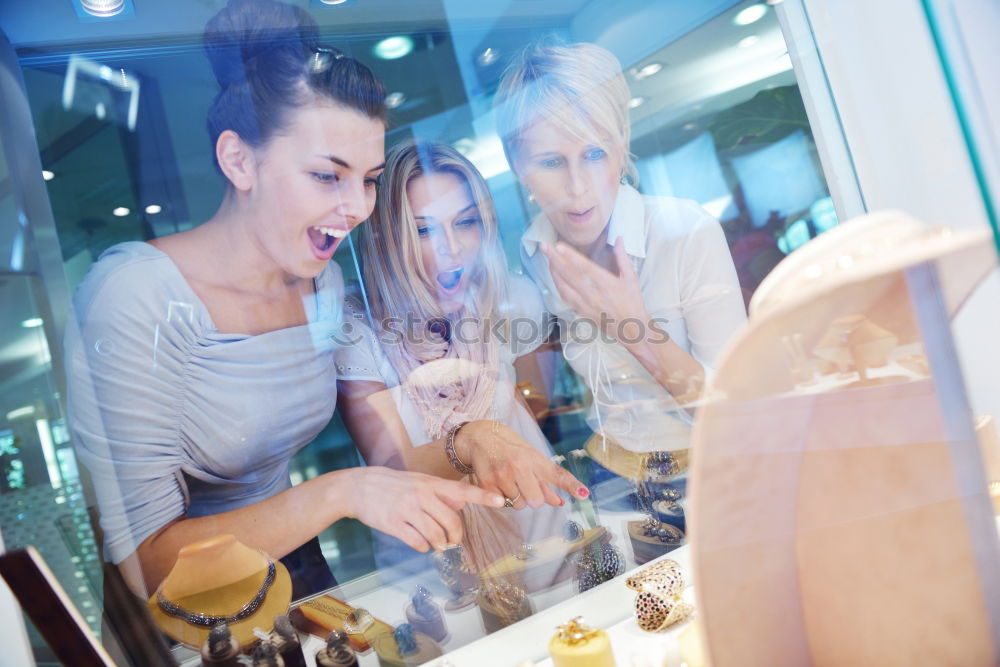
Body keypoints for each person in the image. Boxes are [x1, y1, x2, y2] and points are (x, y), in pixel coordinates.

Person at [64, 0, 503, 600]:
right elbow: (148, 567)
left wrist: (475, 438)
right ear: (238, 160)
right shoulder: (134, 296)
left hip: (300, 574)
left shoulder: (319, 281)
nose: (356, 207)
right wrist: (341, 491)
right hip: (194, 616)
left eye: (369, 179)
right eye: (327, 176)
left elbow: (391, 446)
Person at [494, 41, 747, 471]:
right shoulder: (536, 251)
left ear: (621, 143)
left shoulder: (684, 231)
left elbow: (737, 415)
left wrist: (633, 328)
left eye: (594, 154)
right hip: (610, 472)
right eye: (551, 162)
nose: (578, 187)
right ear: (517, 166)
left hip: (713, 469)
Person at [336, 140, 587, 573]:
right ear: (385, 238)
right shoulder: (356, 329)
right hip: (431, 548)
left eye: (466, 222)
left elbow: (539, 406)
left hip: (537, 516)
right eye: (423, 230)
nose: (452, 247)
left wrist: (503, 420)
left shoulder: (514, 299)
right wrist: (472, 437)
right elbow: (391, 463)